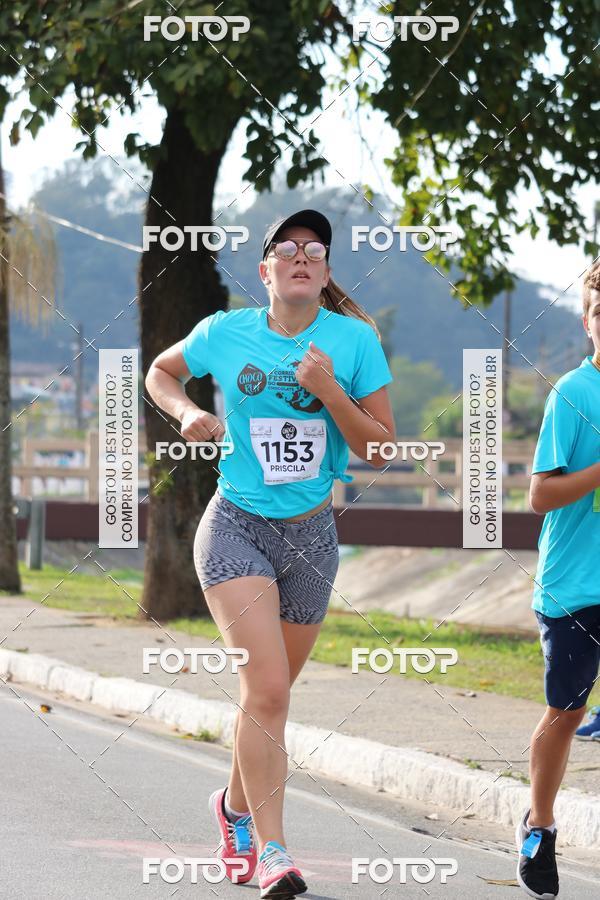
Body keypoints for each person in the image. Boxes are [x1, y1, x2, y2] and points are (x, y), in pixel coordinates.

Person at [145, 209, 396, 899]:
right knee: (269, 691)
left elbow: (379, 444)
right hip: (236, 527)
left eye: (315, 249)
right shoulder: (227, 334)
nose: (301, 256)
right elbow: (160, 373)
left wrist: (329, 392)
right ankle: (273, 852)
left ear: (325, 272)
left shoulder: (353, 341)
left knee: (267, 701)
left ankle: (230, 810)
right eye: (286, 248)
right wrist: (186, 411)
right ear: (265, 272)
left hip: (313, 539)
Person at [516, 259, 600, 900]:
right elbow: (540, 497)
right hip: (575, 586)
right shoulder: (574, 394)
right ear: (588, 321)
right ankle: (540, 822)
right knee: (566, 713)